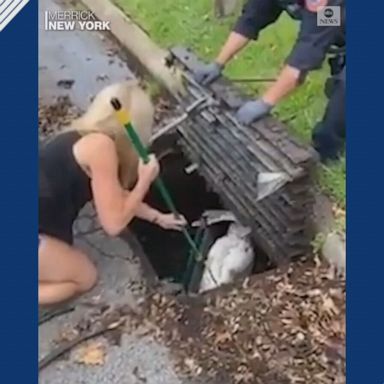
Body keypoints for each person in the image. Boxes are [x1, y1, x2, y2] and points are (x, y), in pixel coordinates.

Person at [39, 80, 187, 306]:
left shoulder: (85, 135)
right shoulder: (101, 148)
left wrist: (158, 218)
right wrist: (144, 180)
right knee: (85, 278)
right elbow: (114, 224)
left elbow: (115, 195)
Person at [194, 0, 345, 163]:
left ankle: (326, 155)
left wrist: (264, 103)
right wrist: (217, 63)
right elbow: (251, 19)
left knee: (344, 95)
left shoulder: (326, 6)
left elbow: (303, 58)